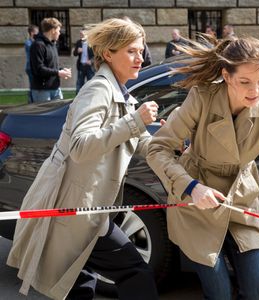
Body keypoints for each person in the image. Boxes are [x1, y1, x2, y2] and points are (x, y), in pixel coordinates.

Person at [146, 36, 259, 299]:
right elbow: (157, 149)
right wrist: (192, 187)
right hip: (196, 200)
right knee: (219, 292)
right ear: (227, 76)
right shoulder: (201, 97)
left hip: (242, 200)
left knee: (257, 290)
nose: (255, 90)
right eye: (245, 81)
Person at [7, 18, 159, 300]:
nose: (140, 58)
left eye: (141, 50)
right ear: (108, 54)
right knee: (135, 273)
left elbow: (136, 141)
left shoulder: (119, 91)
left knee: (81, 282)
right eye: (131, 51)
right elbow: (80, 146)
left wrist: (173, 146)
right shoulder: (98, 89)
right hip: (76, 208)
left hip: (88, 208)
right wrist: (136, 122)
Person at [29, 17, 72, 102]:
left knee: (60, 115)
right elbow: (39, 69)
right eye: (58, 30)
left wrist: (62, 70)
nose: (59, 33)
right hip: (42, 90)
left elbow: (51, 66)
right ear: (53, 30)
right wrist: (58, 72)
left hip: (56, 88)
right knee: (44, 115)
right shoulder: (38, 45)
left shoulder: (53, 45)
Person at [73, 27, 95, 94]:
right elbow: (74, 54)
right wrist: (77, 51)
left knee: (90, 84)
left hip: (90, 67)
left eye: (82, 34)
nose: (81, 35)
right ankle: (77, 98)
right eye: (80, 34)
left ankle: (90, 97)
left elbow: (97, 55)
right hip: (81, 66)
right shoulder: (78, 42)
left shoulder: (92, 43)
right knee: (79, 84)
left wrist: (91, 61)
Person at [24, 24, 39, 103]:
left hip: (34, 67)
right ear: (32, 33)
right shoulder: (28, 43)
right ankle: (31, 101)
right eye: (36, 32)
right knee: (32, 86)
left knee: (35, 85)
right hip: (30, 67)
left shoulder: (35, 42)